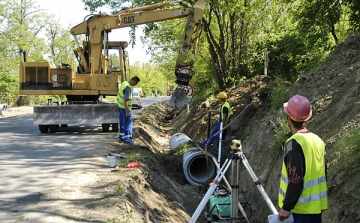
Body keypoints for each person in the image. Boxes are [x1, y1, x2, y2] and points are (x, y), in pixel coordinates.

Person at [278, 95, 328, 222]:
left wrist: (286, 207)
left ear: (289, 119)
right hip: (315, 209)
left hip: (299, 211)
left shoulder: (294, 143)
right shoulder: (318, 140)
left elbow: (296, 178)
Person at [116, 76, 140, 143]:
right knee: (128, 123)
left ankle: (121, 137)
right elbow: (125, 100)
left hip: (120, 106)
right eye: (136, 83)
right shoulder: (128, 88)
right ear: (133, 81)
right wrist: (127, 111)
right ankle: (127, 139)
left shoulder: (124, 83)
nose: (135, 85)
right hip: (124, 108)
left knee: (122, 123)